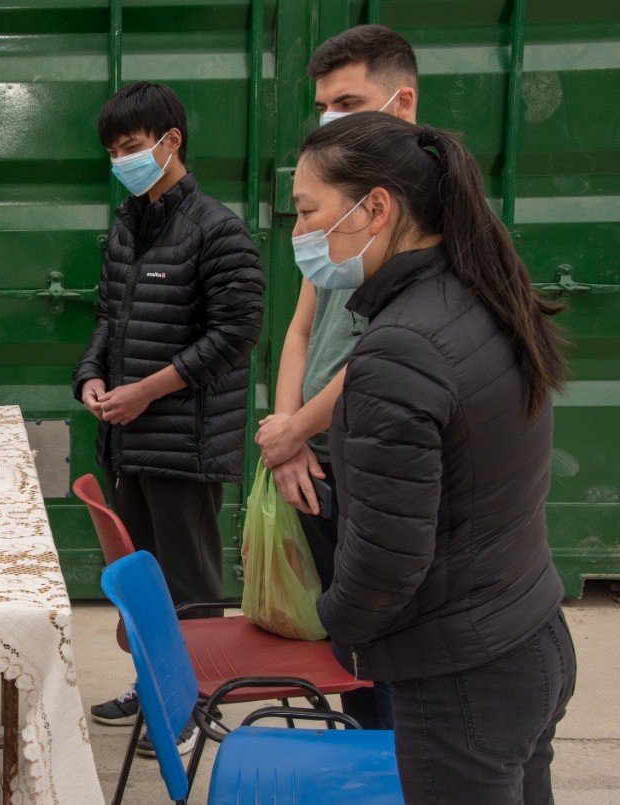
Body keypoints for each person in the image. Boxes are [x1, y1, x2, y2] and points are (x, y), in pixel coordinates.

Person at [297, 113, 575, 804]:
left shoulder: (398, 348)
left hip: (465, 680)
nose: (299, 233)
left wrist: (337, 620)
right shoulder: (481, 291)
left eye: (307, 211)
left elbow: (389, 556)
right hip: (529, 632)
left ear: (377, 208)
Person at [73, 81, 264, 754]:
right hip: (127, 434)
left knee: (188, 584)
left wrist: (148, 390)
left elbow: (236, 333)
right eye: (114, 150)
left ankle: (194, 705)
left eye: (131, 146)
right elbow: (108, 318)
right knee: (143, 580)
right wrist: (92, 375)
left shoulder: (217, 228)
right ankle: (154, 682)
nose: (122, 159)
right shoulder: (127, 224)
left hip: (185, 442)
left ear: (170, 141)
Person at [255, 23, 419, 730]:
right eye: (324, 105)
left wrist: (297, 426)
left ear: (402, 103)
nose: (331, 121)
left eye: (348, 102)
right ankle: (360, 756)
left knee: (388, 646)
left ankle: (387, 764)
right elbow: (299, 328)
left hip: (366, 455)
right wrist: (291, 433)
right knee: (345, 638)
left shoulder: (420, 213)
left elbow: (389, 351)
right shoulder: (336, 202)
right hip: (314, 456)